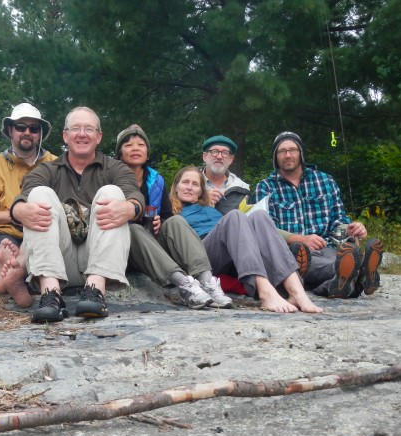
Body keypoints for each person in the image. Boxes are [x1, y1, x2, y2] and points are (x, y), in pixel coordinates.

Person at [10, 107, 145, 323]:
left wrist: (131, 208)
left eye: (89, 129)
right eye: (75, 129)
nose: (82, 134)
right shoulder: (47, 170)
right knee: (39, 194)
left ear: (98, 136)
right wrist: (19, 210)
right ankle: (51, 295)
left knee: (112, 193)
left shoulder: (115, 167)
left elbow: (134, 194)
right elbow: (25, 194)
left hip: (100, 257)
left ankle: (95, 291)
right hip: (62, 261)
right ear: (65, 136)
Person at [171, 166, 323, 313]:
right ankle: (265, 291)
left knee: (260, 216)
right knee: (234, 216)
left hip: (231, 253)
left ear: (200, 192)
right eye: (185, 182)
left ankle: (296, 291)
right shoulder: (168, 210)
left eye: (195, 184)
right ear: (176, 187)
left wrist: (291, 237)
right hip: (202, 257)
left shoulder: (211, 210)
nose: (190, 187)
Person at [114, 124, 232, 308]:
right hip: (126, 245)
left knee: (176, 220)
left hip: (153, 243)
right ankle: (184, 285)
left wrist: (159, 221)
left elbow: (168, 216)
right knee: (134, 229)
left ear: (147, 151)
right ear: (120, 152)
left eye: (141, 145)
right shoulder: (110, 176)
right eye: (128, 145)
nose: (135, 148)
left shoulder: (155, 180)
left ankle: (207, 282)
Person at [254, 131, 383, 298]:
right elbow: (265, 230)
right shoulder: (265, 188)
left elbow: (337, 225)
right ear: (275, 156)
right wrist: (299, 238)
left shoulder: (325, 181)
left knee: (338, 257)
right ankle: (358, 272)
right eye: (282, 151)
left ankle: (343, 282)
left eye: (293, 149)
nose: (287, 155)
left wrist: (349, 230)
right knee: (316, 261)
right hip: (291, 253)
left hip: (326, 247)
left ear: (301, 153)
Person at [0, 103, 57, 308]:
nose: (27, 132)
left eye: (34, 128)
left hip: (43, 230)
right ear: (10, 131)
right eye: (21, 127)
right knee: (2, 244)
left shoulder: (55, 163)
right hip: (6, 231)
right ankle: (10, 269)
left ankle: (6, 277)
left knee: (19, 246)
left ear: (40, 134)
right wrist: (17, 215)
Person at [201, 134, 311, 278]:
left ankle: (286, 281)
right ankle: (279, 280)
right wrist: (201, 197)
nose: (219, 156)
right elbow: (174, 212)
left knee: (255, 218)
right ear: (204, 156)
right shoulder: (189, 183)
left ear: (231, 159)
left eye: (225, 153)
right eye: (214, 151)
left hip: (233, 256)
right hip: (200, 250)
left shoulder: (243, 191)